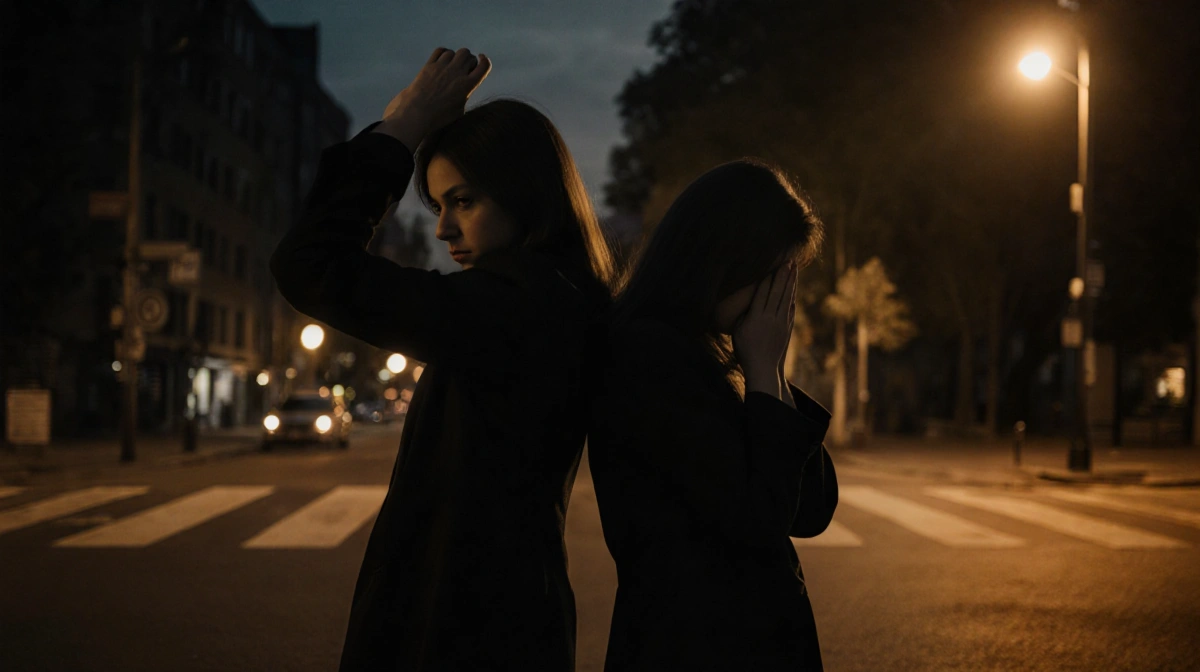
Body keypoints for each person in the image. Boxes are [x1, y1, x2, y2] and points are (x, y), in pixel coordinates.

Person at [270, 47, 615, 671]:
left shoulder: (510, 308)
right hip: (507, 624)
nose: (443, 231)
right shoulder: (559, 298)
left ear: (522, 193)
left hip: (457, 631)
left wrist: (402, 125)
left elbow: (310, 265)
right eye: (438, 207)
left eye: (463, 202)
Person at [588, 159, 837, 670]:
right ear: (728, 262)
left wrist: (769, 372)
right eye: (774, 280)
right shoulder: (648, 356)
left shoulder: (719, 353)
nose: (780, 304)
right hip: (692, 644)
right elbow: (760, 522)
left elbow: (811, 511)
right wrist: (763, 370)